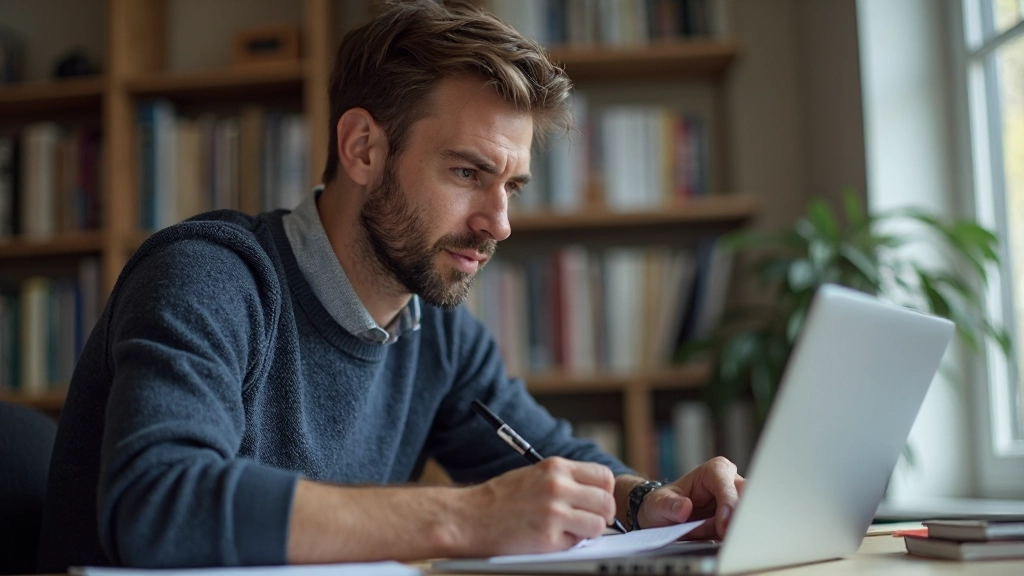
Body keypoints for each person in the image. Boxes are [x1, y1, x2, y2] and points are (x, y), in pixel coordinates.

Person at [37, 0, 743, 570]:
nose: (498, 224)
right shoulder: (209, 277)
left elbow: (552, 458)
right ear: (363, 149)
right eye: (467, 172)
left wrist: (651, 500)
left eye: (511, 187)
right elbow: (158, 503)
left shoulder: (437, 334)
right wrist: (466, 516)